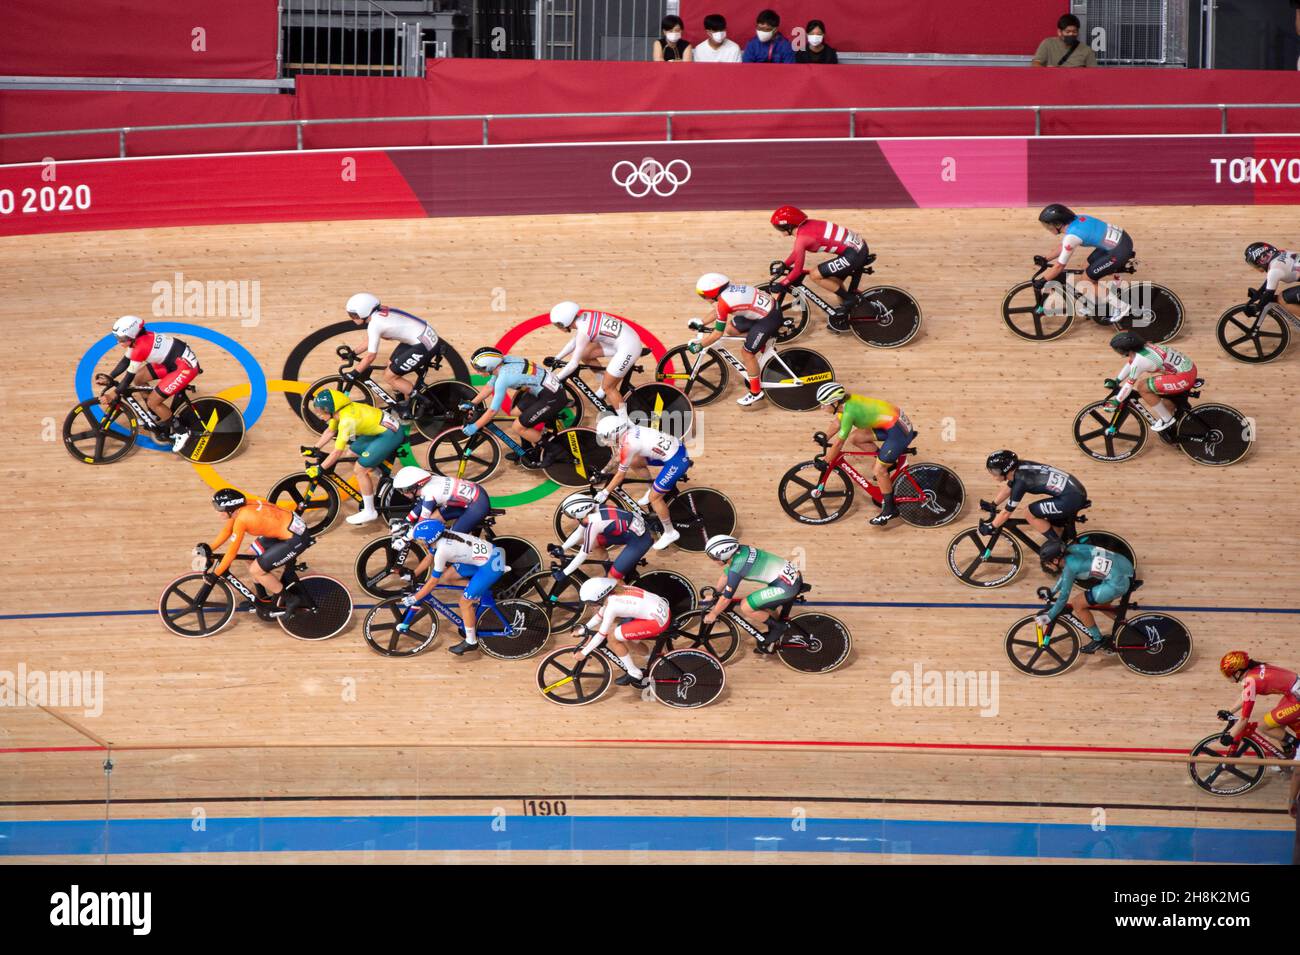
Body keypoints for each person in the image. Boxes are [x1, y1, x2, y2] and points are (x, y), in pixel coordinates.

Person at [396, 519, 507, 655]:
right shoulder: (440, 535)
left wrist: (415, 598)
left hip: (491, 565)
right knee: (447, 578)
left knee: (464, 603)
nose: (419, 543)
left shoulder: (443, 551)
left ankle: (471, 641)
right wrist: (413, 574)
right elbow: (429, 557)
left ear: (429, 539)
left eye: (420, 541)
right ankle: (480, 590)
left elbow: (432, 582)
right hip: (486, 555)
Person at [812, 383, 914, 527]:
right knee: (856, 437)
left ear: (835, 402)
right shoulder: (844, 404)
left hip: (898, 431)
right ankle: (888, 462)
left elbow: (839, 443)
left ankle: (890, 509)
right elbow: (837, 423)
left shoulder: (849, 412)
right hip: (893, 423)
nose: (821, 407)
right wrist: (825, 437)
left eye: (824, 404)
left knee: (878, 470)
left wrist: (827, 461)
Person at [98, 315, 202, 453]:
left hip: (184, 367)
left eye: (121, 339)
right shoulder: (137, 339)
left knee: (154, 401)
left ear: (132, 335)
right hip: (172, 361)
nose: (119, 342)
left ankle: (182, 432)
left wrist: (112, 395)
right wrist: (110, 377)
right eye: (117, 338)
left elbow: (128, 377)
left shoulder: (140, 347)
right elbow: (125, 361)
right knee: (140, 378)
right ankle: (155, 414)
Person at [308, 388, 410, 524]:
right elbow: (330, 431)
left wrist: (320, 468)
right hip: (381, 429)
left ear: (330, 409)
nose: (318, 415)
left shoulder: (346, 420)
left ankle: (370, 511)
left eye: (321, 411)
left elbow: (337, 452)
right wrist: (315, 448)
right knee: (351, 453)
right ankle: (386, 481)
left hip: (390, 434)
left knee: (360, 469)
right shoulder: (339, 412)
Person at [207, 488, 312, 618]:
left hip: (295, 538)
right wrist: (210, 548)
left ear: (230, 509)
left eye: (220, 509)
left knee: (256, 570)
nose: (217, 512)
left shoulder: (242, 519)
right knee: (249, 555)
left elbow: (231, 553)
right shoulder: (240, 508)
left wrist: (215, 574)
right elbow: (227, 531)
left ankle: (291, 599)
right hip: (285, 527)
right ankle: (262, 599)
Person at [460, 346, 569, 465]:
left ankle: (554, 450)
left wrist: (475, 426)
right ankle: (526, 449)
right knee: (514, 414)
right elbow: (489, 387)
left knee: (518, 427)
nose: (477, 372)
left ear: (490, 366)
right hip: (542, 390)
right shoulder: (503, 361)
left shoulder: (504, 378)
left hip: (552, 397)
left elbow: (492, 411)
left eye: (479, 369)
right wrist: (472, 403)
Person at [593, 415, 687, 550]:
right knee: (634, 461)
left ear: (615, 433)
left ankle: (670, 532)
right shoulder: (629, 428)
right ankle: (651, 488)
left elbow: (620, 475)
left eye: (606, 436)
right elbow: (619, 457)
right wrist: (603, 471)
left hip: (676, 460)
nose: (604, 440)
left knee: (655, 498)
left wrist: (605, 492)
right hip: (673, 448)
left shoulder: (629, 445)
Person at [769, 205, 870, 331]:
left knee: (815, 274)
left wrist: (783, 283)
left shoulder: (802, 239)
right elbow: (797, 252)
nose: (778, 230)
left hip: (853, 254)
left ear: (788, 227)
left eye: (778, 227)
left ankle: (850, 299)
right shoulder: (807, 227)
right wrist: (785, 264)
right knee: (834, 281)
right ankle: (845, 316)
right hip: (858, 248)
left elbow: (797, 271)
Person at [690, 272, 780, 406]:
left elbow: (716, 334)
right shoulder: (727, 292)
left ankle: (756, 392)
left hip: (768, 318)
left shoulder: (724, 302)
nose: (703, 298)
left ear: (713, 293)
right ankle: (760, 341)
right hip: (764, 310)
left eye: (703, 295)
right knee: (731, 329)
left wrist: (700, 345)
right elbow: (718, 311)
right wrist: (702, 322)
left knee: (747, 353)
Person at [702, 534, 801, 653]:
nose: (713, 560)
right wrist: (715, 593)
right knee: (764, 606)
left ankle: (778, 627)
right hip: (791, 576)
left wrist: (713, 614)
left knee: (746, 606)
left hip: (785, 586)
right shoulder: (741, 550)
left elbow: (726, 599)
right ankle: (775, 636)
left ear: (724, 554)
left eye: (714, 557)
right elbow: (725, 575)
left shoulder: (738, 566)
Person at [1036, 204, 1133, 324]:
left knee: (1086, 280)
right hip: (1119, 241)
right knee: (1086, 268)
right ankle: (1094, 304)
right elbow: (1064, 245)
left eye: (1048, 225)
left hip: (1118, 250)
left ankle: (1122, 307)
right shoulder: (1078, 219)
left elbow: (1059, 266)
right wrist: (1046, 258)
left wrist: (1042, 280)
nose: (1047, 228)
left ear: (1057, 224)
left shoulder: (1072, 235)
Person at [571, 577, 671, 688]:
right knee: (624, 635)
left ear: (599, 597)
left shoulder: (612, 607)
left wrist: (584, 653)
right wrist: (584, 629)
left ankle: (634, 673)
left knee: (613, 638)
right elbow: (600, 616)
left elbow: (601, 635)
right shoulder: (617, 590)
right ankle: (653, 660)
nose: (590, 606)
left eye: (590, 603)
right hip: (660, 611)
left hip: (656, 621)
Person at [1036, 539, 1134, 653]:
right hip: (1125, 568)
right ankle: (1127, 627)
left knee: (1077, 604)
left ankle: (1098, 640)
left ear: (1056, 560)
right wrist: (1052, 592)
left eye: (1048, 563)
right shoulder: (1072, 549)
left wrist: (1050, 615)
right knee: (1101, 604)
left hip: (1118, 582)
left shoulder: (1071, 566)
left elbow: (1063, 598)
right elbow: (1065, 576)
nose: (1047, 566)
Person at [343, 292, 443, 403]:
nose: (352, 318)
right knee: (390, 365)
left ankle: (424, 403)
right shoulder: (379, 312)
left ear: (363, 313)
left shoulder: (375, 324)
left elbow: (371, 356)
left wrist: (354, 373)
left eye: (353, 315)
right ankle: (400, 402)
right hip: (420, 337)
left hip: (424, 344)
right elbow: (371, 339)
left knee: (389, 376)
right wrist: (353, 353)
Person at [546, 301, 643, 412]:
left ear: (565, 322)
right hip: (625, 340)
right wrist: (557, 358)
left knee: (609, 387)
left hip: (629, 347)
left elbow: (573, 364)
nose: (558, 327)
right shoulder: (584, 318)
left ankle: (625, 422)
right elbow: (574, 343)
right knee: (585, 354)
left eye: (558, 324)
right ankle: (603, 384)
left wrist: (555, 379)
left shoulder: (584, 330)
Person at [982, 450, 1088, 542]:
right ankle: (1061, 536)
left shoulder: (1021, 481)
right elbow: (1009, 488)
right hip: (1074, 491)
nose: (993, 475)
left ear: (1006, 470)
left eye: (995, 471)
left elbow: (1006, 513)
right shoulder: (1019, 468)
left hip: (1070, 498)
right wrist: (993, 504)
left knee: (1029, 512)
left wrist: (991, 526)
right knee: (1055, 526)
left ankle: (1057, 546)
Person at [1105, 331, 1197, 434]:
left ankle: (1167, 419)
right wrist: (1117, 380)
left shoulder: (1140, 360)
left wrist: (1116, 401)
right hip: (1188, 369)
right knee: (1167, 404)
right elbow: (1131, 363)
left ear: (1126, 350)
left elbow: (1129, 384)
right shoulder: (1145, 347)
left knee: (1142, 387)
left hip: (1183, 377)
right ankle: (1175, 413)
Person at [555, 492, 655, 581]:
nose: (570, 517)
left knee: (612, 579)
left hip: (639, 541)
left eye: (569, 515)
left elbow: (583, 554)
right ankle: (609, 568)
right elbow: (578, 533)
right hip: (629, 531)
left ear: (579, 513)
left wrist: (564, 573)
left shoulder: (594, 523)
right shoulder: (594, 509)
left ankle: (616, 579)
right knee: (594, 543)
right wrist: (562, 548)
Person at [1219, 651, 1300, 751]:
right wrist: (1229, 711)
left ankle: (1298, 747)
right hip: (1292, 694)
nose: (1226, 677)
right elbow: (1246, 695)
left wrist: (1231, 736)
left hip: (1295, 697)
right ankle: (1288, 758)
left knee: (1262, 726)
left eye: (1227, 674)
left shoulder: (1251, 681)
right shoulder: (1253, 671)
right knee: (1276, 725)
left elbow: (1244, 720)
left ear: (1238, 673)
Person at [391, 466, 490, 534]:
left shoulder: (430, 493)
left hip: (478, 505)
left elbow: (421, 523)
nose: (402, 494)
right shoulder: (428, 484)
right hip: (473, 495)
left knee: (453, 538)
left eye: (403, 490)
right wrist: (406, 521)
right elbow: (420, 506)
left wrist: (406, 536)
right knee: (434, 519)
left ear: (416, 486)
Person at [1243, 242, 1300, 320]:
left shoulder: (1274, 270)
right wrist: (1256, 296)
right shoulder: (1281, 253)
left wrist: (1256, 308)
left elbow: (1268, 295)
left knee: (1282, 299)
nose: (1255, 268)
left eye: (1254, 264)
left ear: (1261, 260)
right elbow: (1267, 285)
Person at [1031, 14, 1096, 68]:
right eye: (1068, 32)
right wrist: (1048, 71)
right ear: (1059, 32)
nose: (1071, 34)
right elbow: (1035, 63)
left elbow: (1094, 73)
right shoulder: (1048, 43)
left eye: (1074, 31)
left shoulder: (1086, 50)